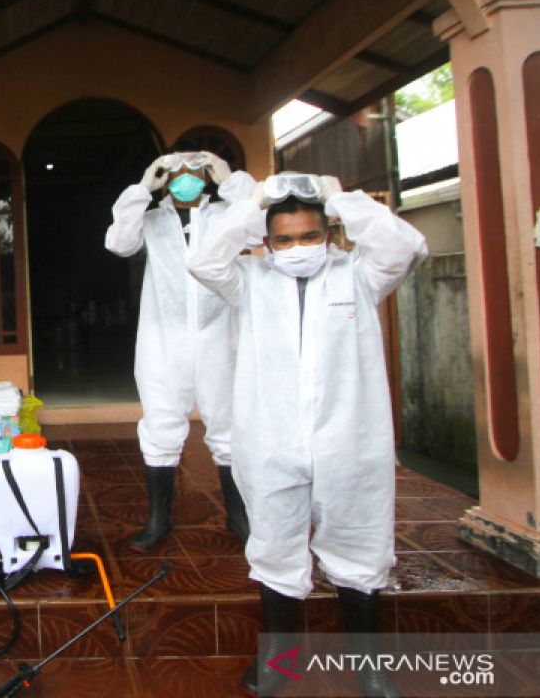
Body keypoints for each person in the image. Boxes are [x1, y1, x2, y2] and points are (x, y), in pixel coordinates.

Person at [187, 172, 426, 697]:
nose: (298, 247)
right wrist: (253, 202)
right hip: (271, 445)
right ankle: (282, 664)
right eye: (285, 238)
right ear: (267, 243)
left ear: (331, 235)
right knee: (275, 549)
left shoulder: (360, 276)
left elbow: (407, 246)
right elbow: (203, 260)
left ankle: (370, 669)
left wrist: (339, 196)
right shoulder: (249, 281)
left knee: (361, 549)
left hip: (351, 445)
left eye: (311, 236)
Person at [104, 149, 254, 552]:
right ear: (165, 179)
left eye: (195, 170)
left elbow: (258, 229)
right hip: (162, 338)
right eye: (175, 172)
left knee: (227, 427)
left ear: (207, 175)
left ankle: (239, 516)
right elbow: (118, 242)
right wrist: (141, 189)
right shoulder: (151, 221)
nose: (186, 178)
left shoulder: (227, 215)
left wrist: (233, 183)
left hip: (220, 334)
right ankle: (159, 518)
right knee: (161, 425)